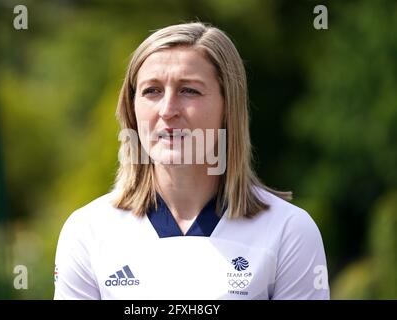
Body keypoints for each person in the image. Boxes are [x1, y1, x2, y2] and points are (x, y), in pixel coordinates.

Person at [53, 22, 330, 300]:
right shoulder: (87, 232)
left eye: (189, 90)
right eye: (152, 91)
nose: (168, 110)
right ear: (132, 106)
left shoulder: (288, 231)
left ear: (228, 107)